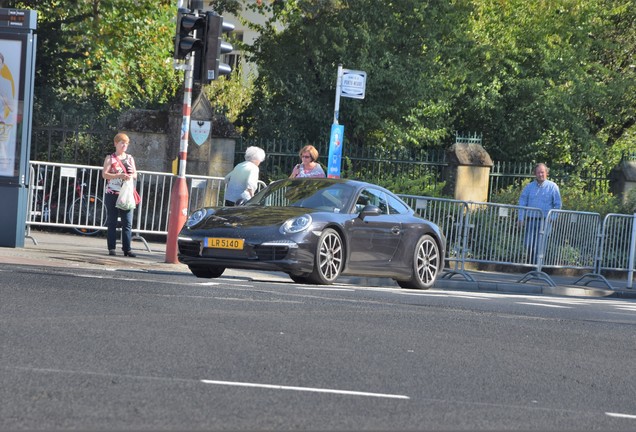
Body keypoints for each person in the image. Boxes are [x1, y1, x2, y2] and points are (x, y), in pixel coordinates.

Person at [517, 163, 562, 263]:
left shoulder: (553, 187)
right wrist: (521, 218)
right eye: (538, 172)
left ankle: (537, 268)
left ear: (546, 173)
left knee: (540, 246)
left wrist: (553, 218)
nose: (540, 174)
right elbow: (522, 202)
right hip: (530, 220)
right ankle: (533, 265)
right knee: (528, 244)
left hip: (545, 221)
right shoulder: (529, 187)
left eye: (542, 172)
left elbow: (558, 204)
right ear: (535, 174)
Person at [102, 133, 138, 257]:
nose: (124, 145)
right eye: (122, 142)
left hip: (126, 194)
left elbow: (135, 174)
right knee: (112, 221)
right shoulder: (110, 158)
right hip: (112, 193)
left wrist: (129, 176)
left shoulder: (130, 158)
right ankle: (111, 248)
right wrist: (118, 176)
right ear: (116, 144)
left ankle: (127, 249)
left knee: (127, 222)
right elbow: (105, 174)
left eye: (126, 143)